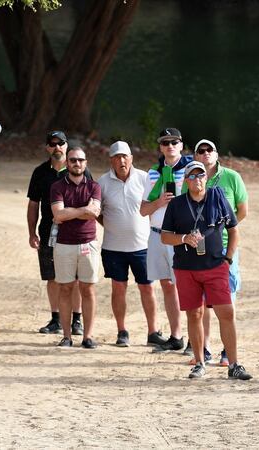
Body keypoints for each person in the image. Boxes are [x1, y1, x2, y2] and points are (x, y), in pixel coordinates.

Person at [161, 161, 252, 380]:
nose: (197, 179)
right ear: (186, 181)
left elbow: (233, 230)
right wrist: (184, 238)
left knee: (226, 313)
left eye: (200, 175)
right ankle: (200, 363)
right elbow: (165, 236)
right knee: (195, 314)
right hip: (186, 268)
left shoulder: (217, 197)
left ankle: (234, 364)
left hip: (215, 266)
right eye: (191, 176)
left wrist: (228, 259)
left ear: (205, 178)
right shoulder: (177, 204)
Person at [187, 139, 248, 365]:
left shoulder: (232, 177)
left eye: (208, 150)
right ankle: (205, 348)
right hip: (201, 248)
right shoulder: (192, 178)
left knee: (226, 298)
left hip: (224, 246)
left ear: (216, 153)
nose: (205, 154)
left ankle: (226, 350)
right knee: (202, 301)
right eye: (200, 151)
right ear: (195, 156)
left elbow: (242, 210)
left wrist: (223, 228)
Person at [97, 141, 159, 347]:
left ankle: (153, 331)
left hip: (142, 246)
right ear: (111, 161)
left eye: (125, 156)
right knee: (118, 288)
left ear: (131, 158)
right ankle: (122, 331)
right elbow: (97, 212)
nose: (121, 160)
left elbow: (153, 206)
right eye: (117, 157)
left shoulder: (144, 178)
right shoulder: (103, 182)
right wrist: (110, 224)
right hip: (113, 248)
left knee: (147, 289)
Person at [139, 127, 191, 351]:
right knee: (167, 285)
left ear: (181, 145)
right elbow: (142, 210)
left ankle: (194, 338)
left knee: (187, 286)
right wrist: (159, 201)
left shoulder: (190, 169)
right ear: (160, 147)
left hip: (180, 237)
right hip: (157, 235)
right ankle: (176, 336)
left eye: (174, 142)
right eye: (165, 142)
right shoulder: (153, 173)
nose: (170, 146)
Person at [26, 131, 82, 335]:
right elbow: (33, 204)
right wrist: (32, 233)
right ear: (47, 148)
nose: (57, 147)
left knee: (75, 278)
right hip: (48, 230)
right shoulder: (40, 172)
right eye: (52, 144)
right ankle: (56, 319)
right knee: (52, 277)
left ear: (66, 146)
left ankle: (77, 320)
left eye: (61, 144)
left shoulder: (78, 167)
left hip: (75, 232)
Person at [50, 147, 102, 348]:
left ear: (86, 163)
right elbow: (58, 215)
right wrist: (83, 210)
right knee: (65, 289)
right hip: (64, 245)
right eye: (73, 160)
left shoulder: (94, 187)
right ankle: (66, 336)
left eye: (80, 160)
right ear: (67, 163)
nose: (77, 163)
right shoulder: (57, 186)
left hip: (88, 243)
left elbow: (94, 213)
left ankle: (87, 336)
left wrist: (70, 212)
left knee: (88, 289)